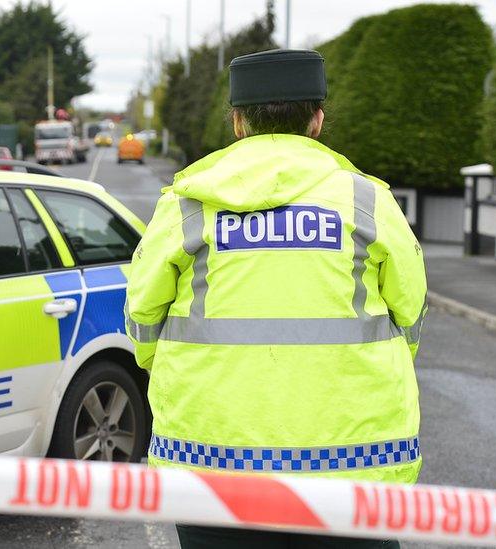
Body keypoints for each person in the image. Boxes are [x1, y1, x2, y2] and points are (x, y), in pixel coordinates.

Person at [124, 49, 427, 549]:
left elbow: (142, 318)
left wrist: (183, 369)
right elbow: (410, 316)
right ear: (317, 120)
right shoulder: (367, 201)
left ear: (238, 122)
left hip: (211, 471)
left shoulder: (188, 202)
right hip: (353, 477)